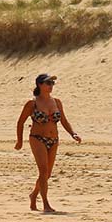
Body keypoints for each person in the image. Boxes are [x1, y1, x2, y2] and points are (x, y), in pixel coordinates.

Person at [15, 73, 81, 213]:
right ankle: (45, 204)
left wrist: (73, 133)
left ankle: (33, 195)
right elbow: (20, 122)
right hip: (37, 138)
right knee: (43, 171)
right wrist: (19, 141)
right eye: (48, 83)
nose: (51, 86)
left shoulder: (56, 102)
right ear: (40, 85)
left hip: (54, 139)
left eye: (52, 83)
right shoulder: (32, 103)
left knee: (47, 174)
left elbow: (63, 120)